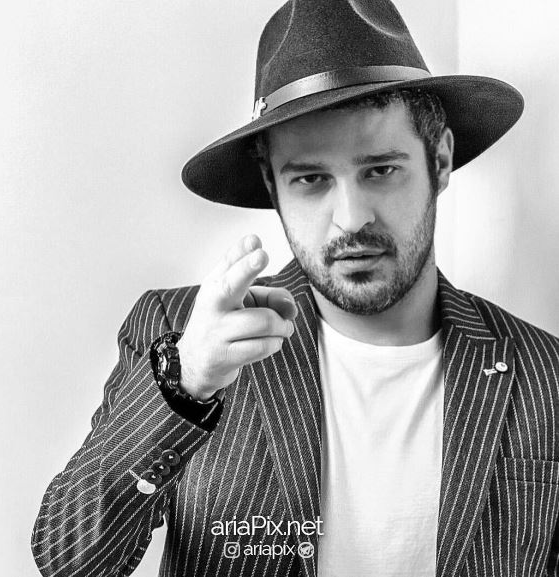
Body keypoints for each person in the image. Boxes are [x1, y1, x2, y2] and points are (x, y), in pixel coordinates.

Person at [31, 0, 559, 576]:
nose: (351, 218)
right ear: (271, 184)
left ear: (440, 159)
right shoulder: (179, 337)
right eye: (311, 179)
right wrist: (185, 385)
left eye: (381, 170)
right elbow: (69, 561)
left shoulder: (544, 375)